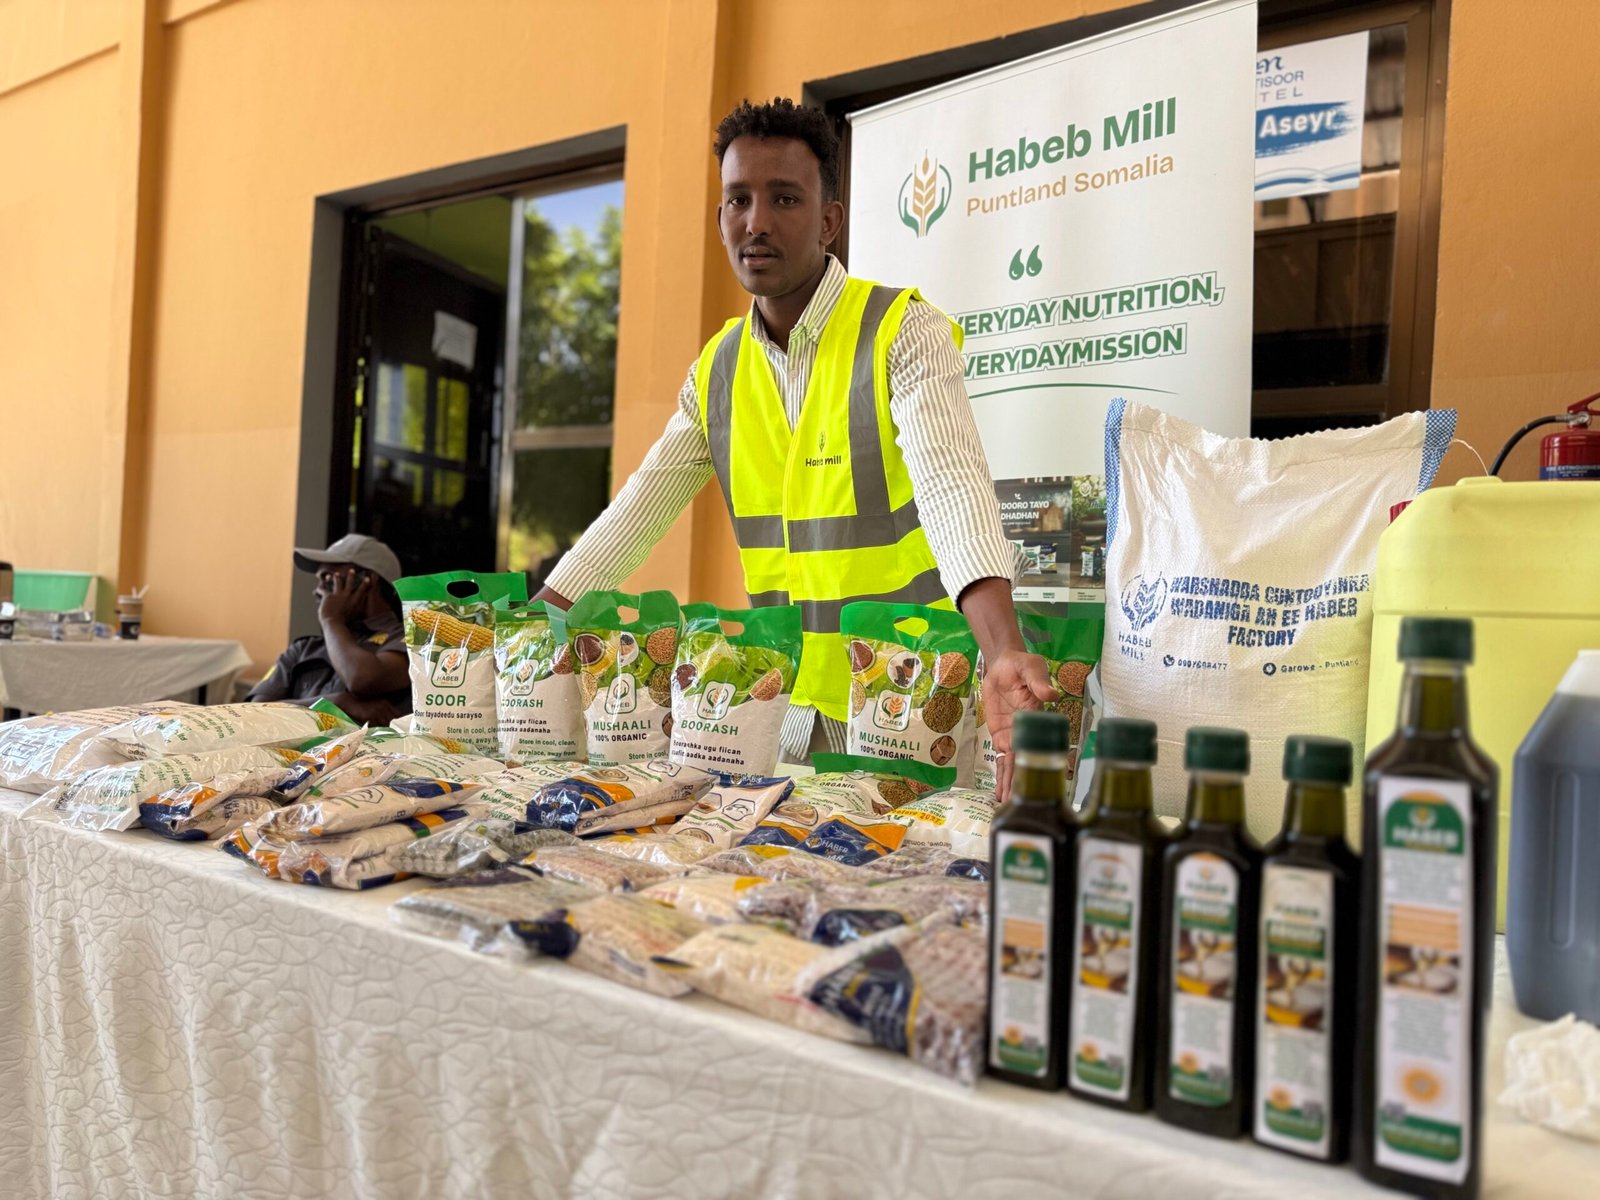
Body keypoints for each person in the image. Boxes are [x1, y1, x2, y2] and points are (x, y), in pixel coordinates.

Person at [533, 98, 1053, 795]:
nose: (757, 222)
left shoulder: (902, 331)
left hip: (909, 699)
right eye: (738, 200)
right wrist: (535, 622)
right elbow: (636, 513)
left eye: (785, 198)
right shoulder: (717, 371)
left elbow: (951, 485)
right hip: (782, 707)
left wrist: (1002, 648)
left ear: (829, 220)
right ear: (720, 217)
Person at [247, 534, 412, 725]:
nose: (317, 591)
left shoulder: (411, 642)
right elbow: (253, 712)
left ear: (367, 580)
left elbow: (362, 678)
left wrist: (331, 619)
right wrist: (335, 703)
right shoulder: (303, 649)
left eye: (328, 579)